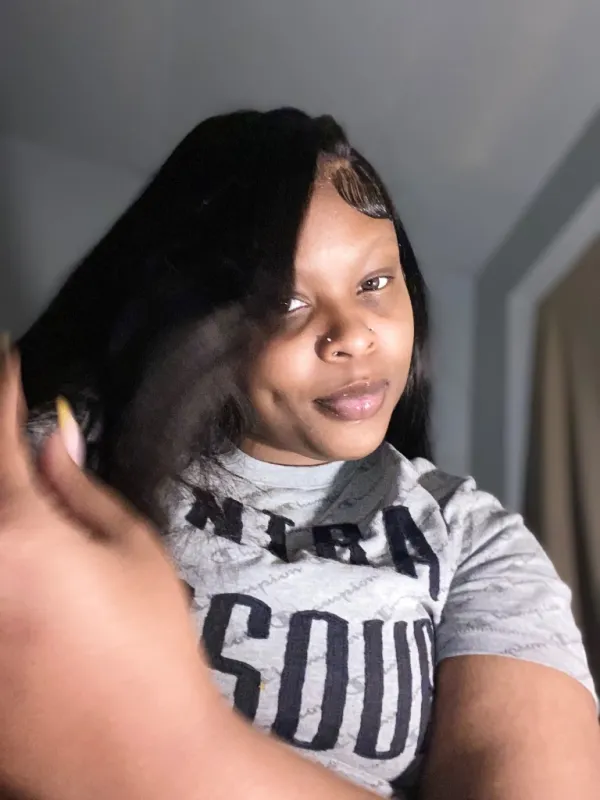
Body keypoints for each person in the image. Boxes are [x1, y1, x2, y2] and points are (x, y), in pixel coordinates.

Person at [6, 107, 600, 798]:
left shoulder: (473, 540)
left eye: (374, 283)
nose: (353, 334)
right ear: (206, 323)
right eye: (287, 302)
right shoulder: (67, 460)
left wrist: (173, 750)